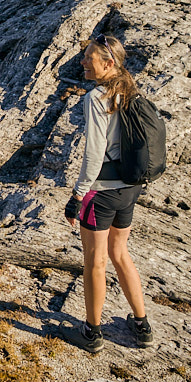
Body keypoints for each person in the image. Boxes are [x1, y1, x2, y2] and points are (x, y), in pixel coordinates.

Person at [63, 34, 154, 353]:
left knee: (95, 262)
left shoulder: (96, 98)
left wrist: (77, 196)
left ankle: (91, 332)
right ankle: (142, 326)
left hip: (100, 193)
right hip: (130, 188)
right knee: (120, 253)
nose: (83, 62)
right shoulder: (130, 91)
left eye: (89, 58)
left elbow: (93, 153)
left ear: (108, 63)